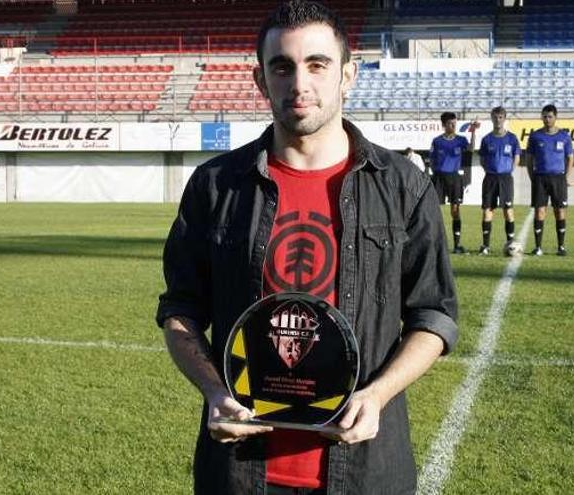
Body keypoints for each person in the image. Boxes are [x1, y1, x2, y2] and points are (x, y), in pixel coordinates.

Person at [156, 2, 459, 493]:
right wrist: (213, 389)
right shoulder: (215, 186)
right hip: (239, 472)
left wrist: (378, 396)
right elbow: (180, 309)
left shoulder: (404, 188)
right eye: (283, 66)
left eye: (318, 65)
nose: (300, 83)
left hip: (365, 472)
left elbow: (433, 317)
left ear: (348, 76)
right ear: (260, 80)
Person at [525, 104, 574, 256]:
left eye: (550, 116)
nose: (547, 119)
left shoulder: (564, 137)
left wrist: (566, 177)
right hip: (540, 177)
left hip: (558, 178)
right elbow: (529, 159)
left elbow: (570, 158)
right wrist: (532, 176)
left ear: (555, 117)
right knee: (540, 211)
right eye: (544, 116)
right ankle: (538, 247)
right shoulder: (535, 136)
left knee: (560, 211)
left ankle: (561, 246)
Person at [429, 112, 478, 254]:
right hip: (439, 178)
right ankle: (434, 243)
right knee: (434, 211)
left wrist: (473, 132)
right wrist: (436, 173)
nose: (453, 126)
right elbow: (432, 160)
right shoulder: (437, 141)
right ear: (444, 125)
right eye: (450, 123)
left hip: (454, 178)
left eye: (455, 123)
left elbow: (471, 148)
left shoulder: (461, 140)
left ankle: (457, 245)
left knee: (455, 211)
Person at [477, 106, 520, 255]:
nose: (498, 120)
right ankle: (485, 245)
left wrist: (508, 171)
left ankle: (511, 243)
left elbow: (517, 157)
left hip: (506, 178)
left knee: (508, 211)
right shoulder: (486, 139)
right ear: (491, 118)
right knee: (487, 211)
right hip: (490, 178)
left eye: (501, 117)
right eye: (495, 117)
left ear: (504, 118)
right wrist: (491, 170)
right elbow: (482, 159)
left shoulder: (512, 138)